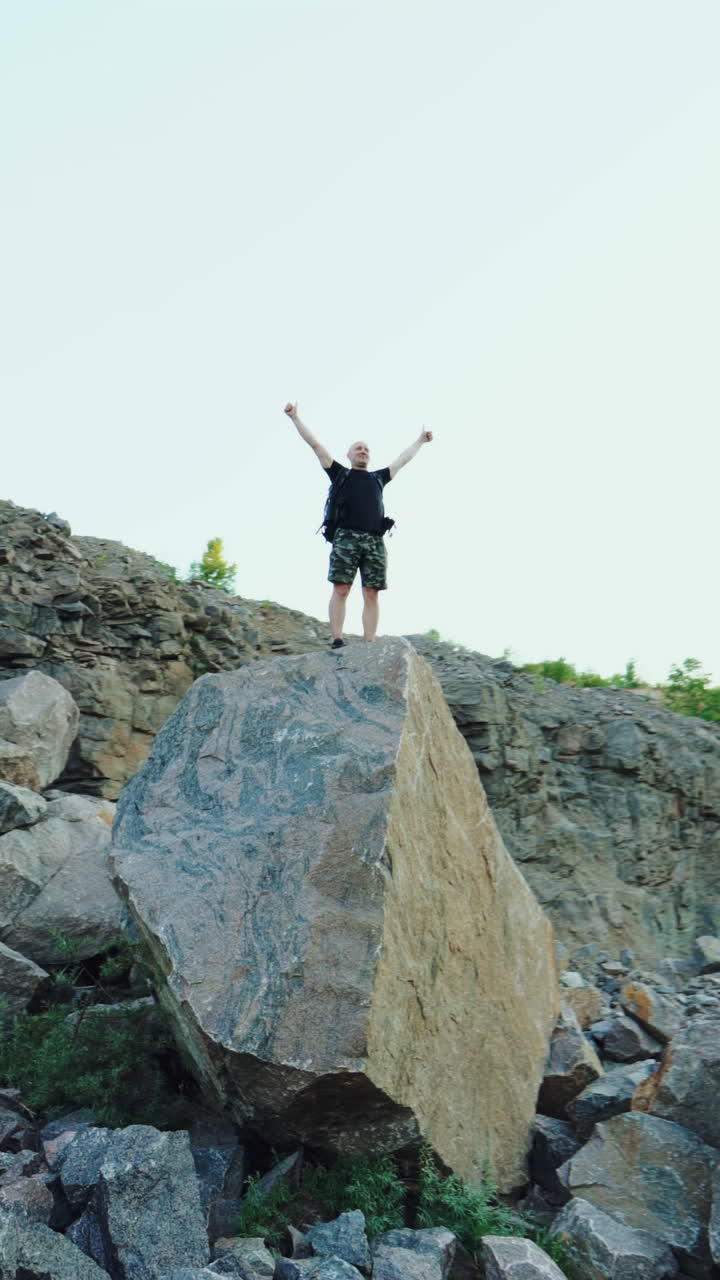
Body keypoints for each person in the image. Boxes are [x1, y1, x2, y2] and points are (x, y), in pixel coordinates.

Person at [284, 402, 433, 647]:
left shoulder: (378, 478)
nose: (363, 451)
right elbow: (316, 445)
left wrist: (420, 441)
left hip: (374, 540)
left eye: (366, 449)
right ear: (349, 455)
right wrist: (295, 418)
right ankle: (337, 639)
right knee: (341, 588)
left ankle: (369, 643)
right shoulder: (340, 473)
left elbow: (402, 460)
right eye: (358, 448)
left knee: (371, 593)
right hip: (346, 537)